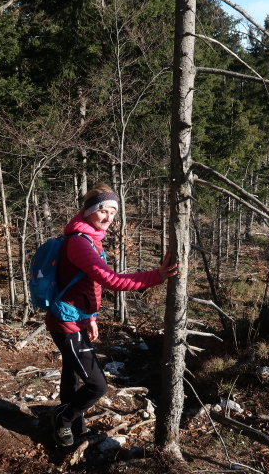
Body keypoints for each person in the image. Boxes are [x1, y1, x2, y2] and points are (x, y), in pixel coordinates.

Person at [45, 183, 178, 447]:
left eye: (113, 213)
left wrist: (91, 317)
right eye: (103, 211)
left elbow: (86, 282)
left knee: (72, 375)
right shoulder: (79, 243)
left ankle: (74, 427)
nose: (109, 218)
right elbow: (110, 280)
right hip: (66, 321)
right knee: (97, 386)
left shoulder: (90, 239)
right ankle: (64, 418)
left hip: (76, 316)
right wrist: (157, 276)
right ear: (88, 212)